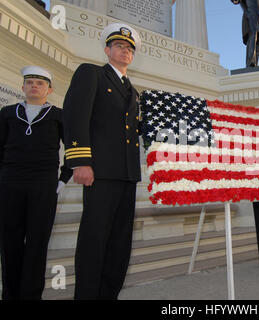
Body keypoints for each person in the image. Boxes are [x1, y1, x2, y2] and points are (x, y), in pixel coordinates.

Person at [62, 23, 142, 300]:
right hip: (100, 172)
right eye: (119, 46)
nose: (125, 51)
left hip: (127, 174)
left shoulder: (133, 90)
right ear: (107, 49)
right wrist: (80, 161)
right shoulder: (91, 74)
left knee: (120, 244)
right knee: (94, 241)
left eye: (129, 48)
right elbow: (75, 116)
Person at [0, 66, 72, 300]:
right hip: (10, 182)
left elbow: (72, 148)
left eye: (40, 83)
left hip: (43, 184)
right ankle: (10, 294)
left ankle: (31, 295)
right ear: (23, 87)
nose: (34, 86)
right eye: (30, 82)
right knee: (9, 240)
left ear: (49, 89)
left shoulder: (58, 115)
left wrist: (63, 179)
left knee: (37, 241)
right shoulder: (8, 112)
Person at [231, 0, 259, 67]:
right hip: (250, 13)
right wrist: (247, 12)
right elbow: (236, 1)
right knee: (253, 35)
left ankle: (255, 64)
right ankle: (250, 62)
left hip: (258, 16)